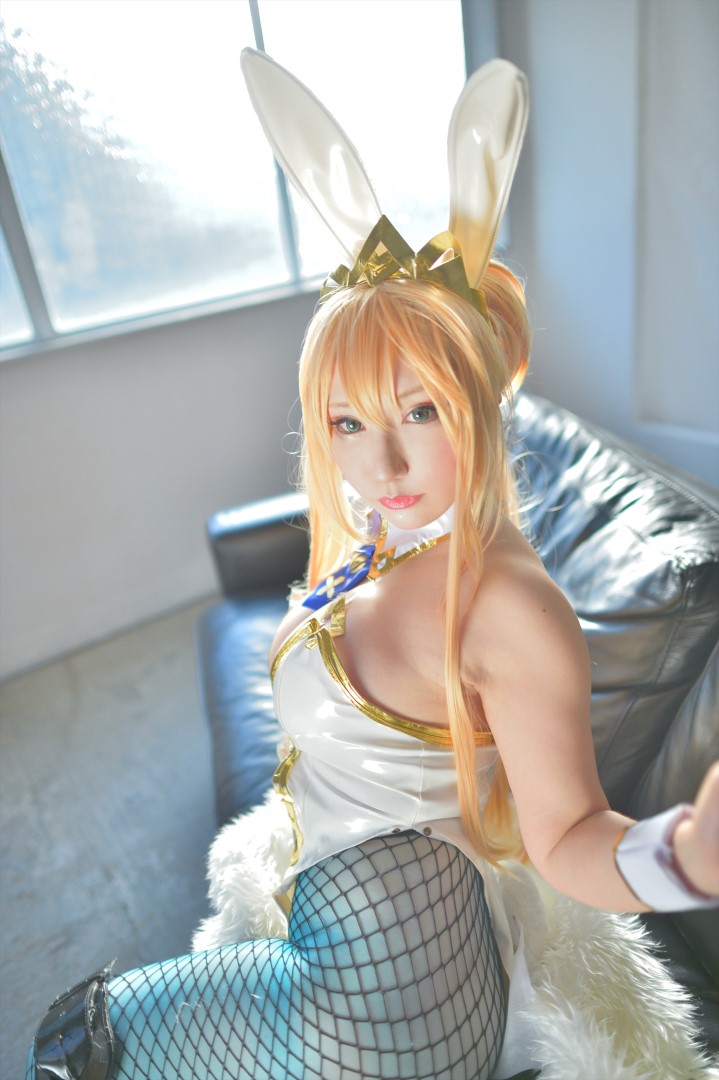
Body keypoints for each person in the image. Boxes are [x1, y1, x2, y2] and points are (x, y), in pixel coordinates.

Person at [28, 51, 719, 1080]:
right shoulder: (392, 527)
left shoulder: (507, 608)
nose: (379, 464)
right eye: (346, 422)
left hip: (397, 1007)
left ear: (479, 404)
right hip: (346, 941)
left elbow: (570, 834)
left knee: (76, 1045)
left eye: (419, 412)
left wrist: (683, 857)